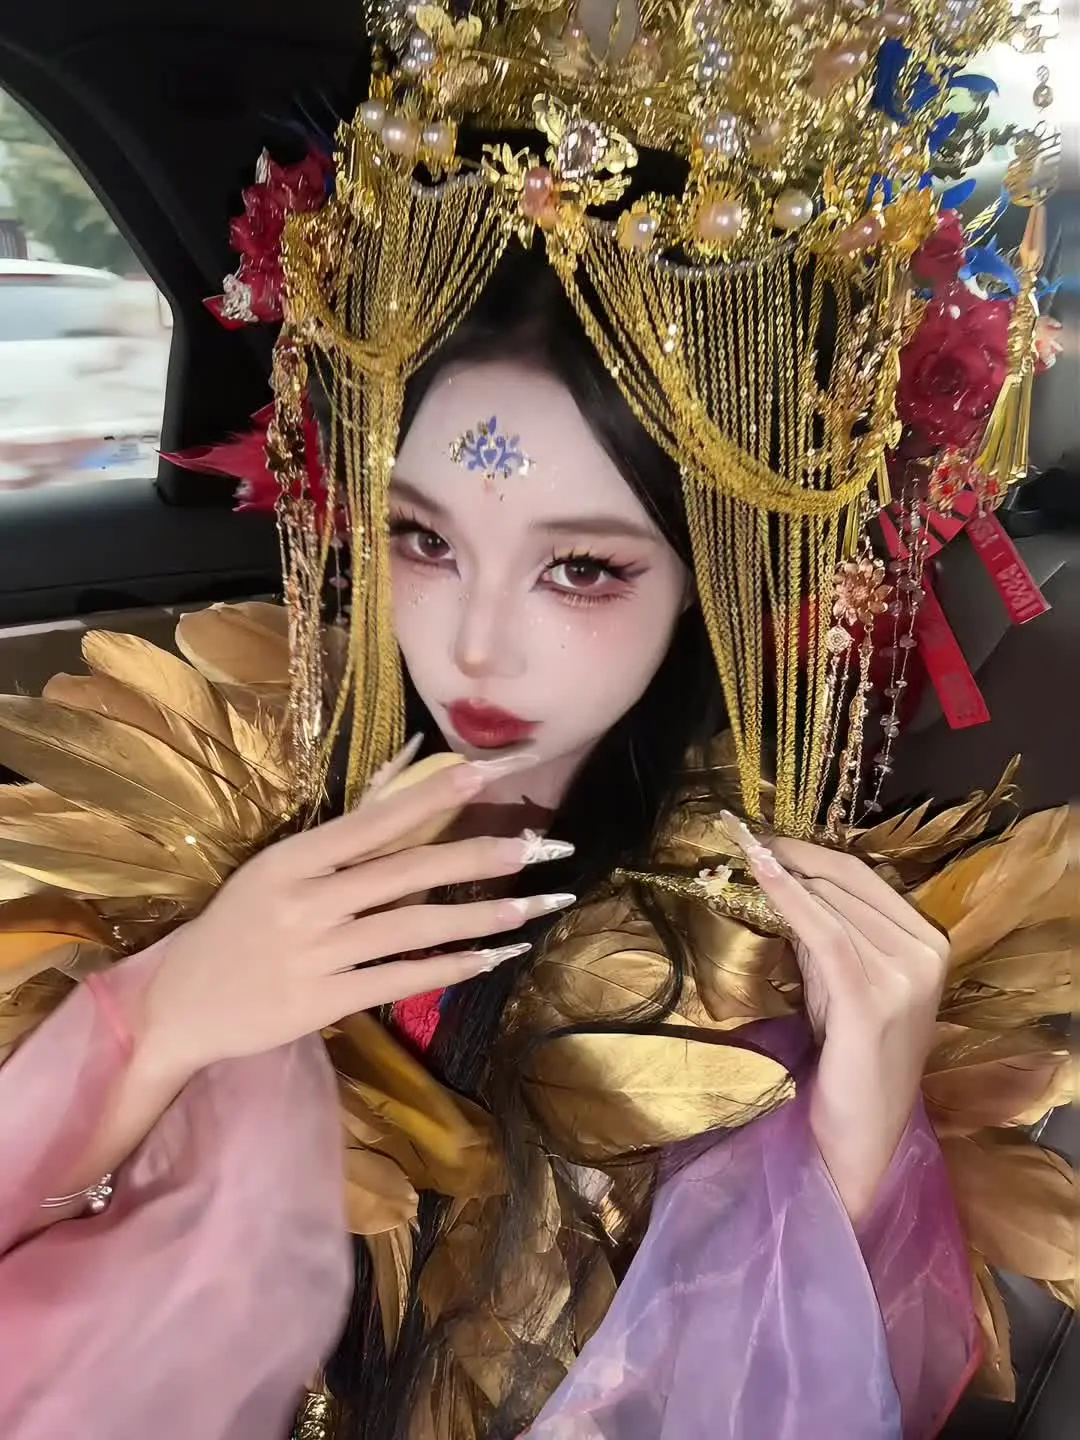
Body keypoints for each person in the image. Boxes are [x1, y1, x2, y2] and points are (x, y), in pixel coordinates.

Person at [0, 6, 1073, 1440]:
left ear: (708, 579)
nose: (474, 643)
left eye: (582, 569)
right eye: (424, 539)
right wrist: (165, 1015)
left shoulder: (747, 954)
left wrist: (856, 1139)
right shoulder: (231, 819)